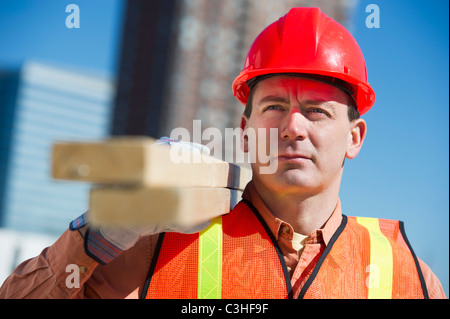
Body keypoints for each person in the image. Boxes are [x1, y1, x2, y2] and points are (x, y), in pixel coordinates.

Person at [0, 7, 445, 299]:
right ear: (246, 132)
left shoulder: (407, 275)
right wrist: (102, 233)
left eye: (317, 111)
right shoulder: (160, 242)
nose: (294, 127)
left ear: (355, 137)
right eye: (275, 107)